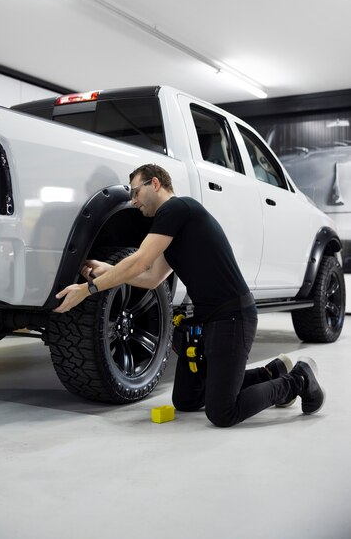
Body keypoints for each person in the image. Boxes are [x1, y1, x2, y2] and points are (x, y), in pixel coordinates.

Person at [54, 163, 325, 427]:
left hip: (232, 317)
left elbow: (139, 262)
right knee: (186, 399)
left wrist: (86, 289)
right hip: (207, 320)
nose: (133, 201)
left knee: (222, 412)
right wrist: (109, 270)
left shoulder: (177, 208)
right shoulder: (174, 222)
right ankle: (273, 372)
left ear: (155, 183)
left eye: (135, 192)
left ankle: (297, 380)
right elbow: (151, 278)